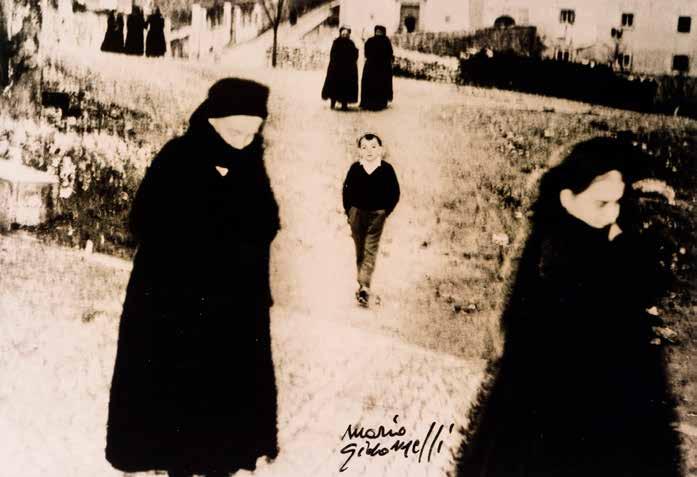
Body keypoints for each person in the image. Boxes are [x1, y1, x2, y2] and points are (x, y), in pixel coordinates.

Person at [456, 137, 682, 477]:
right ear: (567, 198)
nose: (612, 213)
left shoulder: (604, 235)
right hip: (562, 404)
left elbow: (645, 289)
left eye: (618, 202)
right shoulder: (556, 255)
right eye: (602, 203)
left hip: (605, 398)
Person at [105, 78, 281, 477]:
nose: (244, 141)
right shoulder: (178, 157)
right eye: (236, 132)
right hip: (174, 300)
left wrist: (242, 235)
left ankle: (220, 460)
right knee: (175, 388)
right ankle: (172, 461)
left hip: (232, 303)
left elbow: (267, 220)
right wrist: (199, 236)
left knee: (223, 390)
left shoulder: (251, 164)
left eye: (252, 133)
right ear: (213, 121)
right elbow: (142, 219)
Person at [342, 133, 400, 306]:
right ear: (359, 151)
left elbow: (395, 192)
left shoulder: (386, 170)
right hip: (357, 214)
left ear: (381, 150)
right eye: (365, 147)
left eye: (374, 147)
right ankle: (362, 283)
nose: (369, 151)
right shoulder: (356, 169)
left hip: (377, 215)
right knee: (360, 248)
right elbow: (346, 190)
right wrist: (349, 211)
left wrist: (385, 211)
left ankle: (364, 286)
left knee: (370, 248)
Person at [321, 25, 358, 111]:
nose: (344, 35)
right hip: (336, 68)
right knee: (334, 86)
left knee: (345, 87)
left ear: (348, 34)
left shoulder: (351, 43)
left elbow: (354, 56)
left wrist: (355, 53)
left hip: (347, 69)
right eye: (343, 33)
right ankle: (333, 103)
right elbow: (332, 54)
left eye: (346, 33)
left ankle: (344, 104)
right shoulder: (336, 42)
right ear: (340, 33)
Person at [360, 25, 394, 111]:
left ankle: (380, 103)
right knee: (370, 83)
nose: (378, 33)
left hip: (382, 67)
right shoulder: (370, 40)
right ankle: (368, 103)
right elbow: (366, 52)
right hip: (371, 67)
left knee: (381, 84)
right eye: (377, 31)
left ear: (383, 32)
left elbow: (390, 53)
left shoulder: (386, 41)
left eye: (380, 32)